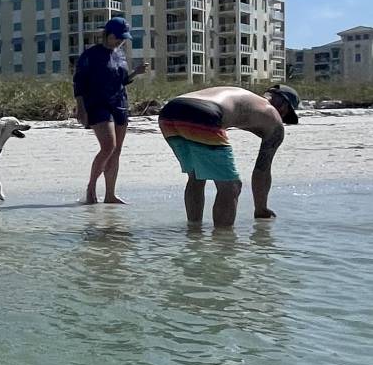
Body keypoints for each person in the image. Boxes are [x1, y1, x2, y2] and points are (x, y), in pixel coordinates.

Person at [157, 84, 299, 227]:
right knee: (231, 186)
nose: (283, 119)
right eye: (286, 115)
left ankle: (194, 231)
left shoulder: (245, 96)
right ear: (283, 105)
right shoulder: (273, 116)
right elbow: (262, 170)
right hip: (204, 112)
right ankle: (223, 242)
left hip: (169, 112)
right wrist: (260, 209)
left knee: (196, 177)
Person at [72, 17, 135, 205]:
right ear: (107, 34)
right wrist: (81, 109)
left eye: (123, 38)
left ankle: (110, 194)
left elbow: (122, 80)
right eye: (118, 37)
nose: (121, 41)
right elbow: (79, 83)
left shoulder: (120, 54)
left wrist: (136, 73)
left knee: (117, 151)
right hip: (98, 105)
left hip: (120, 104)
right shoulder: (90, 55)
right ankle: (91, 187)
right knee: (108, 146)